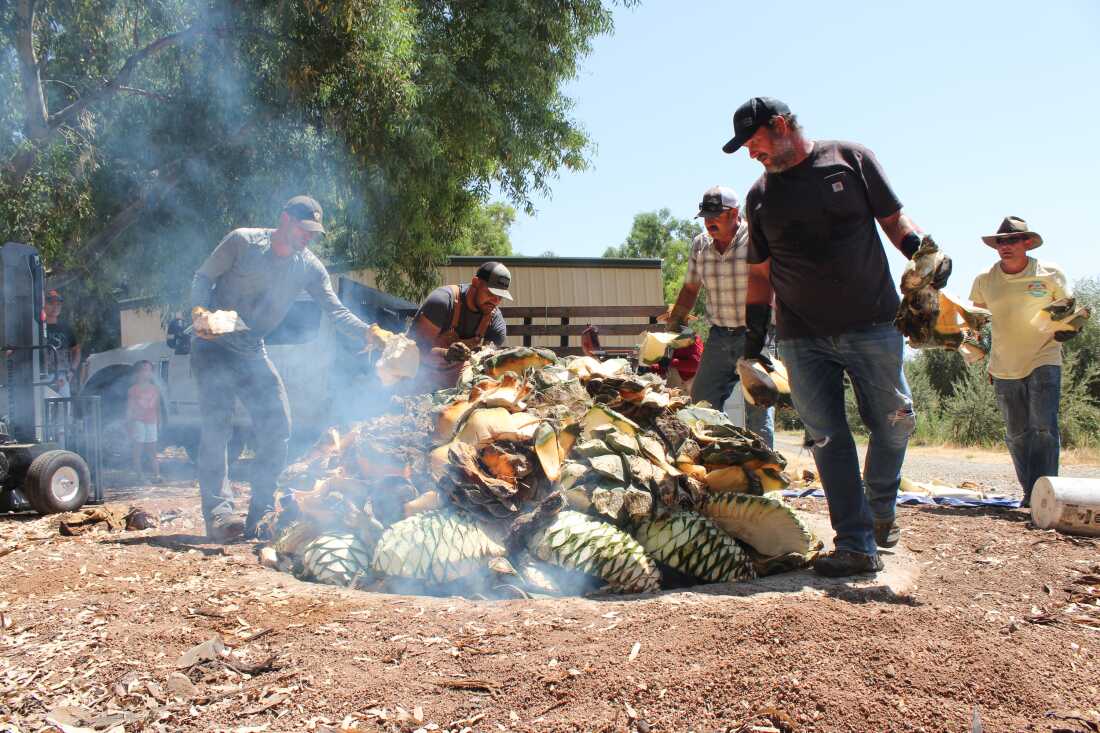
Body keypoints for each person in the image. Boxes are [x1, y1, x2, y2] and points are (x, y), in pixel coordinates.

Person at [724, 96, 951, 576]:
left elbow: (895, 221)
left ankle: (880, 506)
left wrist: (925, 255)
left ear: (781, 125)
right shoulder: (760, 197)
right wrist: (753, 342)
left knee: (896, 421)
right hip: (801, 337)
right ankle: (855, 542)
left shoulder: (850, 159)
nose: (751, 153)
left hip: (872, 322)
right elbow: (761, 276)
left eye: (754, 142)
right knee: (827, 438)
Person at [190, 195, 379, 541]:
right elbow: (202, 277)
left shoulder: (309, 267)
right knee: (217, 427)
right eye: (304, 230)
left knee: (278, 424)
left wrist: (371, 332)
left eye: (313, 233)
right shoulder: (242, 241)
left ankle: (260, 514)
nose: (308, 238)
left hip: (251, 348)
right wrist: (199, 311)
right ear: (285, 220)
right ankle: (219, 515)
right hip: (213, 343)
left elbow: (335, 310)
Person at [969, 216, 1073, 507]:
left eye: (1013, 240)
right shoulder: (985, 281)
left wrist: (1068, 326)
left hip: (1044, 356)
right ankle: (1032, 494)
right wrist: (969, 343)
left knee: (1043, 427)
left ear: (1027, 242)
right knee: (1016, 434)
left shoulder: (1050, 274)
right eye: (1001, 241)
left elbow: (1068, 311)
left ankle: (1047, 494)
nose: (1006, 246)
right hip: (1003, 365)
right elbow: (975, 321)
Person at [666, 185, 774, 447]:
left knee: (758, 409)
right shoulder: (700, 245)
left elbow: (771, 282)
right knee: (702, 405)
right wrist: (674, 324)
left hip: (756, 334)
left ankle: (764, 473)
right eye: (705, 216)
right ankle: (719, 461)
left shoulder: (756, 238)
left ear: (735, 213)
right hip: (719, 337)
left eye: (716, 215)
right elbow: (691, 288)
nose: (709, 221)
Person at [408, 261, 511, 391]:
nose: (495, 301)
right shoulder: (442, 302)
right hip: (416, 379)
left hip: (455, 389)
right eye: (491, 293)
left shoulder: (495, 322)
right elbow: (413, 351)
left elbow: (487, 362)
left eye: (500, 297)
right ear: (475, 283)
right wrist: (446, 354)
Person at [127, 360, 161, 480]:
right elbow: (130, 408)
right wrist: (129, 423)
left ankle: (157, 475)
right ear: (138, 373)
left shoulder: (155, 389)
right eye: (145, 370)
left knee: (152, 450)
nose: (148, 373)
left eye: (150, 370)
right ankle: (139, 475)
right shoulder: (133, 389)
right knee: (138, 450)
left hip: (151, 421)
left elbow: (157, 407)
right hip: (138, 421)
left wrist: (158, 423)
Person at [44, 289, 81, 398]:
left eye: (58, 304)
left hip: (62, 377)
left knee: (64, 410)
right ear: (44, 305)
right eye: (51, 303)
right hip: (43, 377)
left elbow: (77, 350)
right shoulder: (38, 327)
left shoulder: (66, 327)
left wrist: (71, 372)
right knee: (46, 409)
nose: (55, 307)